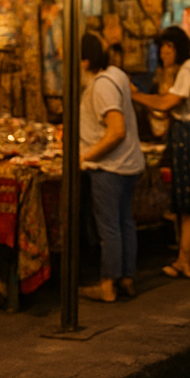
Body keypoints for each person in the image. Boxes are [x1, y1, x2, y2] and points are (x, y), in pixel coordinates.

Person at [129, 26, 190, 279]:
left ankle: (184, 261)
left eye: (168, 47)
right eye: (161, 47)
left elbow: (167, 103)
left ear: (179, 48)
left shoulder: (187, 70)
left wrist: (136, 95)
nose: (163, 52)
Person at [79, 32, 145, 303]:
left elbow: (116, 130)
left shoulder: (102, 85)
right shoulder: (117, 74)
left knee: (109, 229)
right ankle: (126, 279)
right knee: (124, 222)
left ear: (84, 61)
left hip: (111, 166)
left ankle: (108, 284)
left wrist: (86, 156)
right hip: (129, 164)